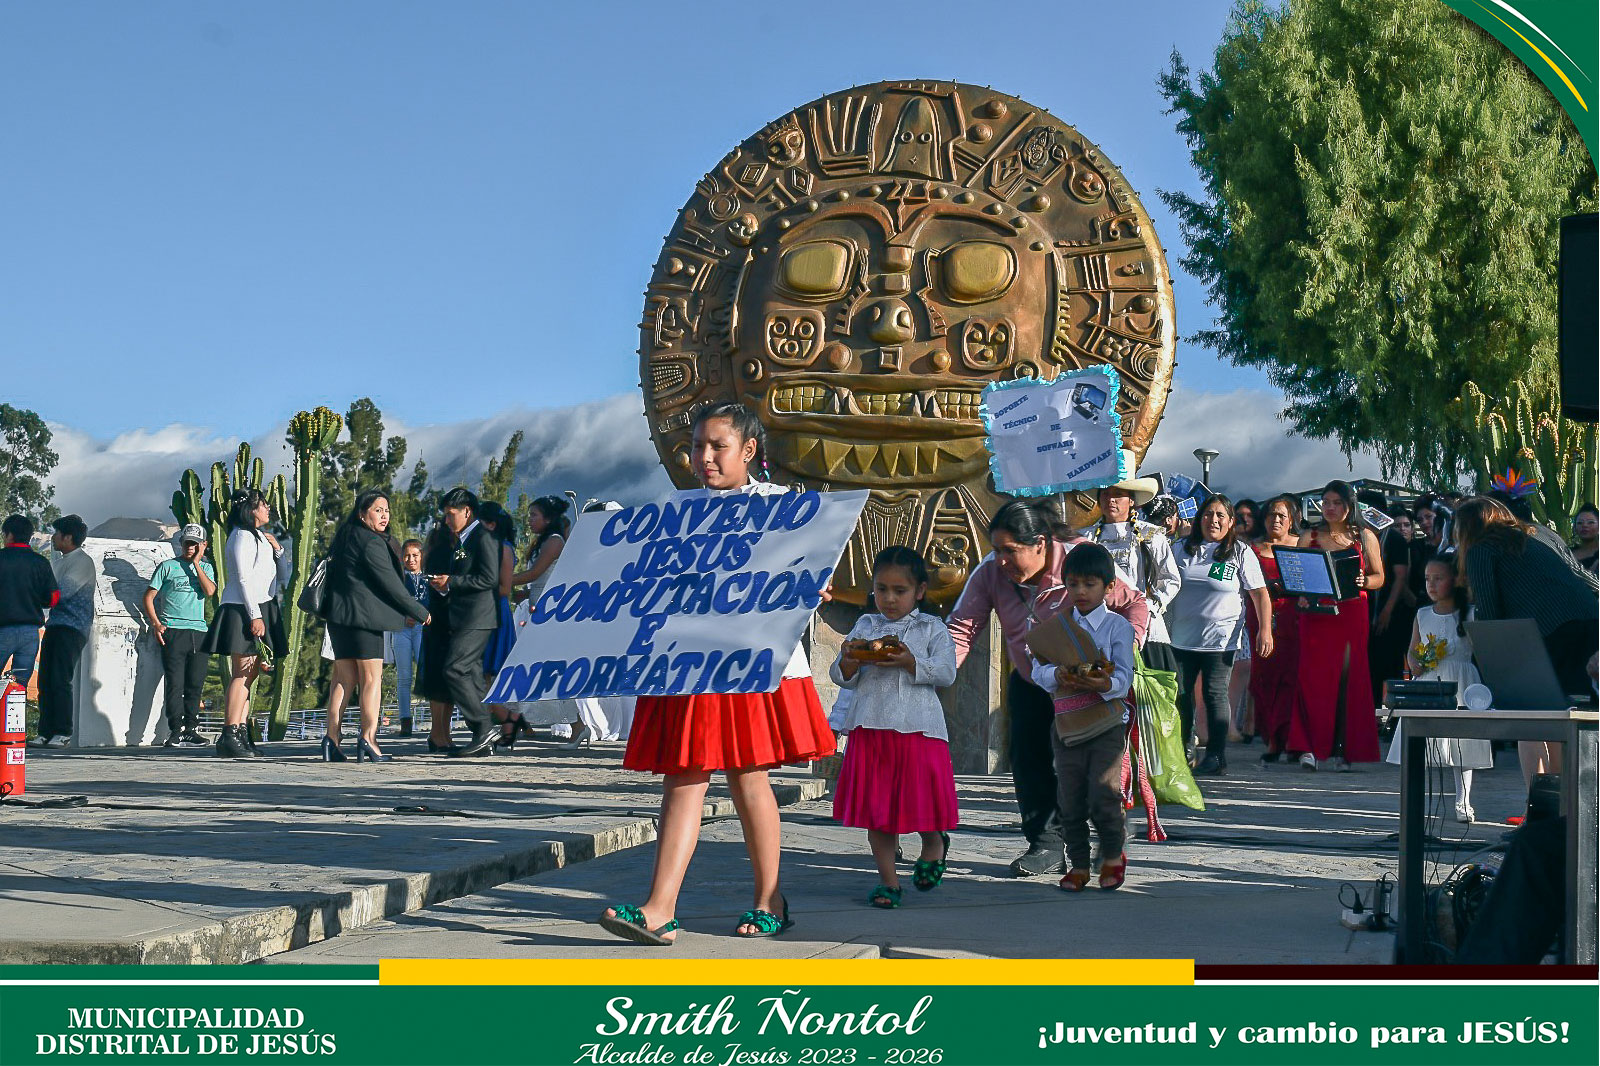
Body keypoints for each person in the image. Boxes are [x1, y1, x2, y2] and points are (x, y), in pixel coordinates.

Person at [600, 401, 835, 945]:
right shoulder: (677, 514)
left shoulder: (783, 506)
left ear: (749, 450)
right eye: (697, 446)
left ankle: (767, 897)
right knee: (683, 775)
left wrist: (812, 585)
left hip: (753, 659)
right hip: (690, 661)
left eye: (717, 446)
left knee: (748, 776)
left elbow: (812, 574)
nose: (703, 457)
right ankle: (659, 909)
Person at [947, 499, 1148, 877]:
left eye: (1010, 551)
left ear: (1040, 543)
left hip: (1086, 689)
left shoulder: (1080, 561)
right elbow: (962, 627)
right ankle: (1045, 843)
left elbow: (1135, 603)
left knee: (1090, 769)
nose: (1001, 560)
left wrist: (1126, 649)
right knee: (1029, 761)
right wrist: (936, 670)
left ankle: (1108, 831)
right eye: (996, 551)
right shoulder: (989, 573)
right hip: (1032, 680)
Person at [831, 546, 959, 909]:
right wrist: (851, 661)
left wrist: (909, 661)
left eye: (899, 591)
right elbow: (841, 676)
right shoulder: (865, 627)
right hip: (869, 726)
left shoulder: (931, 627)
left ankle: (933, 842)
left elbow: (946, 672)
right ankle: (889, 882)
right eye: (881, 589)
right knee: (878, 811)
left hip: (918, 727)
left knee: (920, 804)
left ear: (919, 591)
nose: (889, 598)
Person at [1453, 496, 1599, 783]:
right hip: (1591, 622)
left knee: (1533, 717)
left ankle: (1543, 808)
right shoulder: (1541, 532)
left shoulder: (1481, 549)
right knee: (1573, 717)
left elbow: (1489, 609)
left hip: (1548, 634)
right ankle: (1570, 806)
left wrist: (1493, 659)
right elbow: (1582, 575)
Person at [1026, 542, 1137, 892]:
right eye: (1073, 584)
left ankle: (1113, 856)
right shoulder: (1055, 627)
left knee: (1103, 792)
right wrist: (1057, 675)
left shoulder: (1118, 627)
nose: (1080, 592)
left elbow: (1124, 679)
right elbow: (1037, 671)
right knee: (1070, 798)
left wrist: (1104, 682)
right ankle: (1077, 863)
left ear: (1109, 587)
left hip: (1106, 724)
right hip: (1066, 724)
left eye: (1089, 584)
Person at [321, 491, 431, 763]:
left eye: (387, 510)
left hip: (338, 618)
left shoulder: (345, 538)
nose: (384, 515)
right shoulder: (371, 542)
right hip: (364, 619)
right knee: (372, 678)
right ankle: (368, 739)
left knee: (343, 679)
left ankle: (331, 739)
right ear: (362, 513)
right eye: (378, 510)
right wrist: (419, 610)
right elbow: (390, 584)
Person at [1166, 495, 1272, 775]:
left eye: (1220, 516)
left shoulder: (1240, 551)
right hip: (1181, 637)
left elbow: (1260, 593)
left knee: (1215, 695)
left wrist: (1265, 630)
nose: (1213, 520)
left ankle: (1215, 755)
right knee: (1182, 695)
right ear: (1199, 518)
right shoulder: (1181, 549)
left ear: (1230, 522)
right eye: (1208, 514)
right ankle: (1185, 750)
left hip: (1221, 639)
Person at [1383, 557, 1492, 823]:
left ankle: (1463, 800)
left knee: (1462, 741)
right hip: (1431, 681)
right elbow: (1412, 648)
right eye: (1427, 579)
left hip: (1461, 679)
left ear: (1455, 580)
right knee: (1423, 740)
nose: (1431, 584)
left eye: (1438, 578)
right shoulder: (1422, 614)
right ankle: (1415, 801)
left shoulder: (1469, 614)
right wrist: (1416, 662)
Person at [1288, 480, 1384, 771]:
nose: (1330, 508)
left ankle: (1345, 748)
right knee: (1312, 678)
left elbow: (1380, 576)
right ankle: (1308, 747)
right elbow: (1297, 577)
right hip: (1316, 616)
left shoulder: (1365, 536)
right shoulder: (1309, 536)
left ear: (1349, 505)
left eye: (1337, 503)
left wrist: (1364, 581)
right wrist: (1302, 596)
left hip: (1352, 613)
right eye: (1326, 502)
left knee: (1348, 679)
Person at [201, 490, 290, 759]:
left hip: (262, 604)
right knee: (242, 672)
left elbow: (281, 576)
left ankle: (240, 731)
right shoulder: (241, 535)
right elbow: (242, 578)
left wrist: (278, 550)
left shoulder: (262, 537)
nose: (268, 509)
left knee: (251, 673)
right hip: (243, 608)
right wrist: (254, 615)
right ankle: (229, 732)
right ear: (251, 509)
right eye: (263, 505)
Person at [1077, 453, 1181, 672]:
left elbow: (1170, 579)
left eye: (1118, 495)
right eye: (1105, 494)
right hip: (1096, 628)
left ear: (1131, 500)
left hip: (1146, 628)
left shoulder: (1151, 536)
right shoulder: (1084, 539)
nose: (1110, 499)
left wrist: (1151, 607)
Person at [429, 487, 505, 759]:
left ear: (467, 512)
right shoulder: (464, 540)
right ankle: (482, 736)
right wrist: (445, 586)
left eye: (450, 515)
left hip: (478, 616)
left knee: (454, 668)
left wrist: (452, 581)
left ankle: (484, 727)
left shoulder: (482, 538)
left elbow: (488, 579)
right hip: (464, 616)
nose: (447, 521)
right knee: (471, 675)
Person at [142, 524, 216, 748]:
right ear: (181, 543)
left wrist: (197, 564)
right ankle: (175, 729)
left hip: (199, 631)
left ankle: (192, 729)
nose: (190, 547)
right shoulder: (167, 567)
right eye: (187, 542)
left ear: (203, 546)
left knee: (195, 684)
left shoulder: (207, 567)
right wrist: (156, 624)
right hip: (173, 630)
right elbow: (149, 596)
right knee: (175, 683)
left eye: (195, 543)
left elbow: (210, 591)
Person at [31, 515, 94, 748]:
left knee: (60, 679)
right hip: (55, 625)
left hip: (73, 627)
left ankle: (62, 730)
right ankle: (45, 731)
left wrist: (32, 597)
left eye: (56, 533)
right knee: (45, 679)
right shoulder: (59, 560)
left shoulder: (81, 562)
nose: (53, 538)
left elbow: (61, 592)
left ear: (68, 537)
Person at [1251, 495, 1304, 765]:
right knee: (1263, 681)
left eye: (1282, 515)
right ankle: (1272, 738)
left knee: (1292, 681)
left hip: (1293, 620)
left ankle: (1294, 740)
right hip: (1261, 619)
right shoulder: (1253, 549)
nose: (1276, 520)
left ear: (1292, 519)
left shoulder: (1302, 546)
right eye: (1272, 514)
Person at [476, 501, 526, 749]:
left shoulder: (503, 549)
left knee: (494, 673)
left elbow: (505, 589)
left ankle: (508, 723)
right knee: (484, 674)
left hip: (495, 612)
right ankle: (507, 725)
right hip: (484, 611)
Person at [413, 523, 460, 753]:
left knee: (445, 685)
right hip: (441, 623)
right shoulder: (443, 556)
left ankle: (443, 733)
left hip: (443, 624)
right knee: (440, 684)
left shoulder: (437, 554)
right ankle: (438, 734)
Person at [1366, 500, 1415, 708]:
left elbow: (1400, 577)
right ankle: (1373, 715)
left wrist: (1387, 610)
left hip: (1391, 614)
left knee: (1393, 667)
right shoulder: (1359, 536)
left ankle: (1396, 718)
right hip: (1365, 611)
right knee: (1370, 668)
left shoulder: (1393, 538)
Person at [0, 514, 57, 691]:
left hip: (2, 632)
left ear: (8, 535)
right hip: (29, 634)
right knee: (17, 687)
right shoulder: (41, 563)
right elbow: (53, 599)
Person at [388, 539, 428, 738]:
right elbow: (390, 602)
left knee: (426, 673)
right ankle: (405, 719)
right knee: (404, 677)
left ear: (421, 556)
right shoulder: (397, 578)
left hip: (423, 628)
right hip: (401, 629)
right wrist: (404, 616)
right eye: (407, 555)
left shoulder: (429, 578)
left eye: (415, 555)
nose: (411, 559)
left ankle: (435, 718)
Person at [1571, 504, 1598, 575]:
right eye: (1580, 523)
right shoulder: (1567, 553)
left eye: (1590, 522)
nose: (1585, 525)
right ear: (1575, 528)